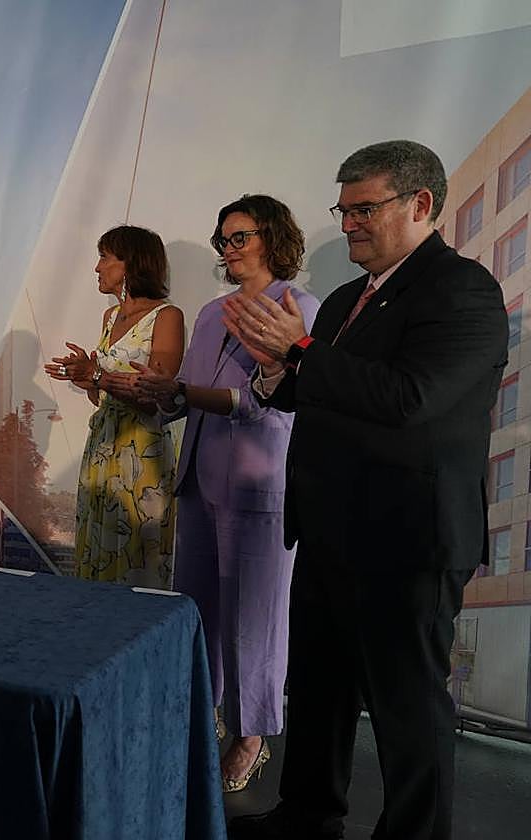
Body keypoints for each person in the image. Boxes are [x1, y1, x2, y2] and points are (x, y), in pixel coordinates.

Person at [223, 141, 507, 840]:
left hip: (405, 538)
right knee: (318, 692)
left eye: (364, 208)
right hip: (327, 529)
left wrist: (301, 353)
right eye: (343, 208)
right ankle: (307, 815)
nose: (348, 222)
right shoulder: (349, 298)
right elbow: (310, 390)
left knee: (408, 710)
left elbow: (412, 398)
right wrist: (271, 371)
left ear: (421, 205)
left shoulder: (464, 291)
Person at [132, 195, 319, 792]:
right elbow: (187, 393)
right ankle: (204, 717)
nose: (229, 250)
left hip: (260, 481)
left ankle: (253, 735)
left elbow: (262, 402)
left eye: (239, 237)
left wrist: (181, 390)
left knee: (256, 620)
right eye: (223, 240)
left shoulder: (299, 306)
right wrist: (158, 391)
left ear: (272, 236)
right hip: (200, 475)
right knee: (199, 611)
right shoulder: (212, 312)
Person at [44, 225, 184, 588]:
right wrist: (82, 377)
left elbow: (158, 396)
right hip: (103, 446)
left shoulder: (167, 316)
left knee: (137, 551)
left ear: (132, 263)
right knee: (98, 547)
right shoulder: (111, 318)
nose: (97, 267)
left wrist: (97, 377)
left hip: (142, 452)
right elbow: (102, 392)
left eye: (106, 257)